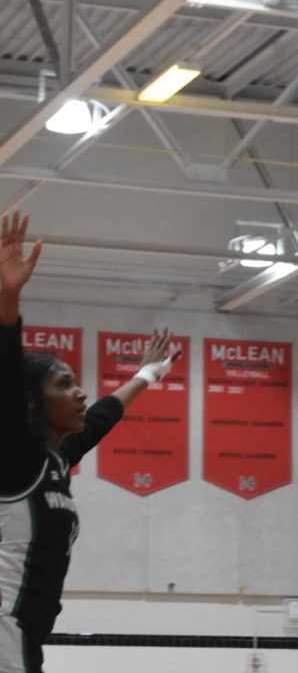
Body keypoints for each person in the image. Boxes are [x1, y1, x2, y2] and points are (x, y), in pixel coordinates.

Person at [0, 211, 179, 673]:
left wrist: (147, 374)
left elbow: (101, 417)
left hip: (25, 636)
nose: (79, 392)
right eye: (63, 384)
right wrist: (8, 294)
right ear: (29, 405)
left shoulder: (53, 459)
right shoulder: (15, 459)